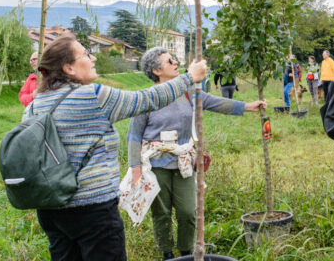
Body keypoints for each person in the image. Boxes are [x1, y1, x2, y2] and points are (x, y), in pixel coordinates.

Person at [23, 36, 207, 260]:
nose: (93, 57)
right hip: (93, 210)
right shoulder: (93, 96)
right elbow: (147, 99)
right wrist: (189, 77)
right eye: (85, 54)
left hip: (51, 209)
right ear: (68, 67)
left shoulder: (35, 104)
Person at [128, 48, 265, 260]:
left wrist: (247, 106)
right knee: (161, 213)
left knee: (188, 211)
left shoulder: (188, 93)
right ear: (156, 70)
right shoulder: (148, 98)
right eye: (169, 61)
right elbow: (134, 135)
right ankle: (167, 254)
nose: (176, 63)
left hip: (183, 162)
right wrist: (135, 166)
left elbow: (215, 102)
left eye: (174, 59)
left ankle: (186, 252)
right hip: (155, 165)